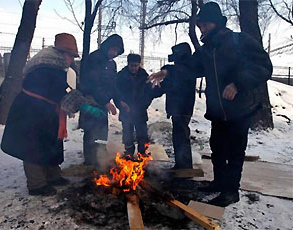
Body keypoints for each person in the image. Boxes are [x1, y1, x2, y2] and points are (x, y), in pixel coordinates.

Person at [147, 2, 273, 206]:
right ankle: (219, 182)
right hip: (218, 111)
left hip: (240, 109)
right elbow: (189, 68)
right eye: (200, 27)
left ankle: (231, 191)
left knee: (234, 152)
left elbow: (264, 66)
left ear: (217, 23)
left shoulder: (239, 41)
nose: (202, 30)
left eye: (205, 26)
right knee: (217, 149)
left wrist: (238, 83)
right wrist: (167, 72)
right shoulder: (206, 50)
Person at [1, 33, 82, 196]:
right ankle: (37, 185)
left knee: (50, 142)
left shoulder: (55, 65)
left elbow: (64, 87)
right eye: (70, 56)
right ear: (60, 53)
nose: (72, 60)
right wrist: (79, 102)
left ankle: (53, 176)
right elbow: (60, 88)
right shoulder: (47, 66)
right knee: (34, 147)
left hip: (45, 110)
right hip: (31, 111)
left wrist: (73, 93)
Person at [79, 34, 124, 166]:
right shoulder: (94, 58)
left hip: (103, 102)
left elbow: (113, 85)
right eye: (113, 49)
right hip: (91, 101)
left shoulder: (112, 64)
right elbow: (92, 83)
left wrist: (119, 101)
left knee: (102, 131)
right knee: (91, 129)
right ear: (107, 47)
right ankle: (90, 161)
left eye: (117, 51)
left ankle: (100, 157)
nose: (114, 53)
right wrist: (105, 101)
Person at [155, 43, 196, 169]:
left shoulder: (187, 69)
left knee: (181, 136)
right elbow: (165, 86)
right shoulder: (176, 71)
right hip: (177, 109)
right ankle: (181, 163)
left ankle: (184, 165)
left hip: (183, 108)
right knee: (178, 136)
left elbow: (174, 72)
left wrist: (166, 70)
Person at [114, 54, 152, 156]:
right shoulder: (121, 76)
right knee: (127, 133)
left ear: (139, 65)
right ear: (128, 64)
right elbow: (116, 92)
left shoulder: (144, 76)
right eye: (132, 65)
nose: (134, 68)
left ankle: (142, 153)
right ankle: (129, 152)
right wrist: (120, 103)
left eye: (136, 65)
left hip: (140, 111)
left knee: (142, 134)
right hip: (126, 111)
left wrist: (144, 105)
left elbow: (149, 94)